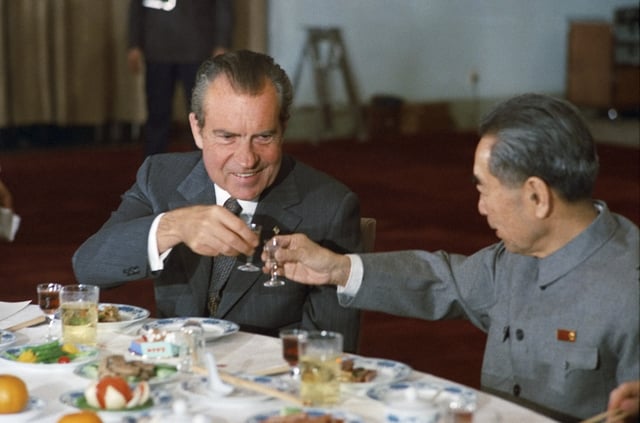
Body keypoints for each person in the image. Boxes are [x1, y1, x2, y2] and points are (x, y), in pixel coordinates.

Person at [266, 93, 639, 421]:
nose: (480, 207)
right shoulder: (514, 259)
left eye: (485, 189)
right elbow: (442, 280)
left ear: (537, 197)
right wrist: (337, 268)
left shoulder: (629, 288)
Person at [72, 50, 363, 352]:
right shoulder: (161, 177)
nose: (246, 159)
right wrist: (172, 227)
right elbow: (89, 268)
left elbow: (329, 354)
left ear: (284, 129)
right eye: (227, 137)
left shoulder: (330, 207)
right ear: (197, 130)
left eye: (263, 137)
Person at [128, 0, 234, 157]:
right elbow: (136, 8)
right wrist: (134, 44)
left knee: (201, 116)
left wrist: (222, 43)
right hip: (157, 50)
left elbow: (223, 6)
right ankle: (154, 167)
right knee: (157, 115)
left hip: (197, 49)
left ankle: (203, 167)